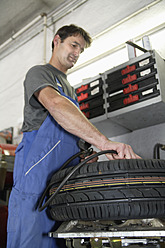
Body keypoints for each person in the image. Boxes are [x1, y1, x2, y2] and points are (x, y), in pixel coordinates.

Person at [7, 24, 140, 248]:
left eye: (81, 50)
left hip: (61, 183)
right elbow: (57, 106)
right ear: (57, 40)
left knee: (57, 239)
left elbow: (71, 130)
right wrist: (104, 142)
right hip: (36, 178)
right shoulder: (40, 73)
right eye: (74, 45)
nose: (77, 53)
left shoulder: (70, 89)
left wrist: (86, 154)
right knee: (30, 237)